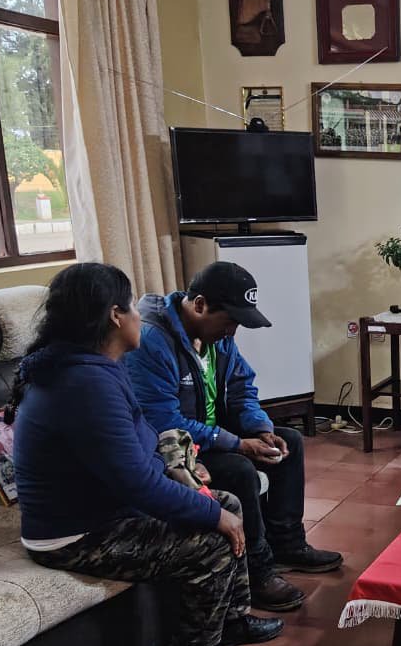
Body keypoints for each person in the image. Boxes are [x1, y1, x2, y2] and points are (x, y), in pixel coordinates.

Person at [9, 263, 282, 646]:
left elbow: (139, 444)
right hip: (78, 535)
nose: (140, 315)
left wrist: (183, 470)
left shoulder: (96, 366)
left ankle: (230, 620)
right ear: (115, 316)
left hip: (107, 513)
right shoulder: (84, 382)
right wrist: (211, 515)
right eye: (132, 307)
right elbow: (136, 482)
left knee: (227, 501)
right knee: (214, 535)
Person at [126, 261, 341, 612]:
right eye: (229, 321)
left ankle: (288, 544)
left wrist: (260, 429)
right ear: (199, 305)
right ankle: (256, 570)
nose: (233, 331)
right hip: (175, 449)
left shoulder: (219, 339)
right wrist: (236, 443)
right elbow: (163, 421)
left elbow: (242, 387)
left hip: (212, 435)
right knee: (239, 469)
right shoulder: (152, 342)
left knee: (289, 441)